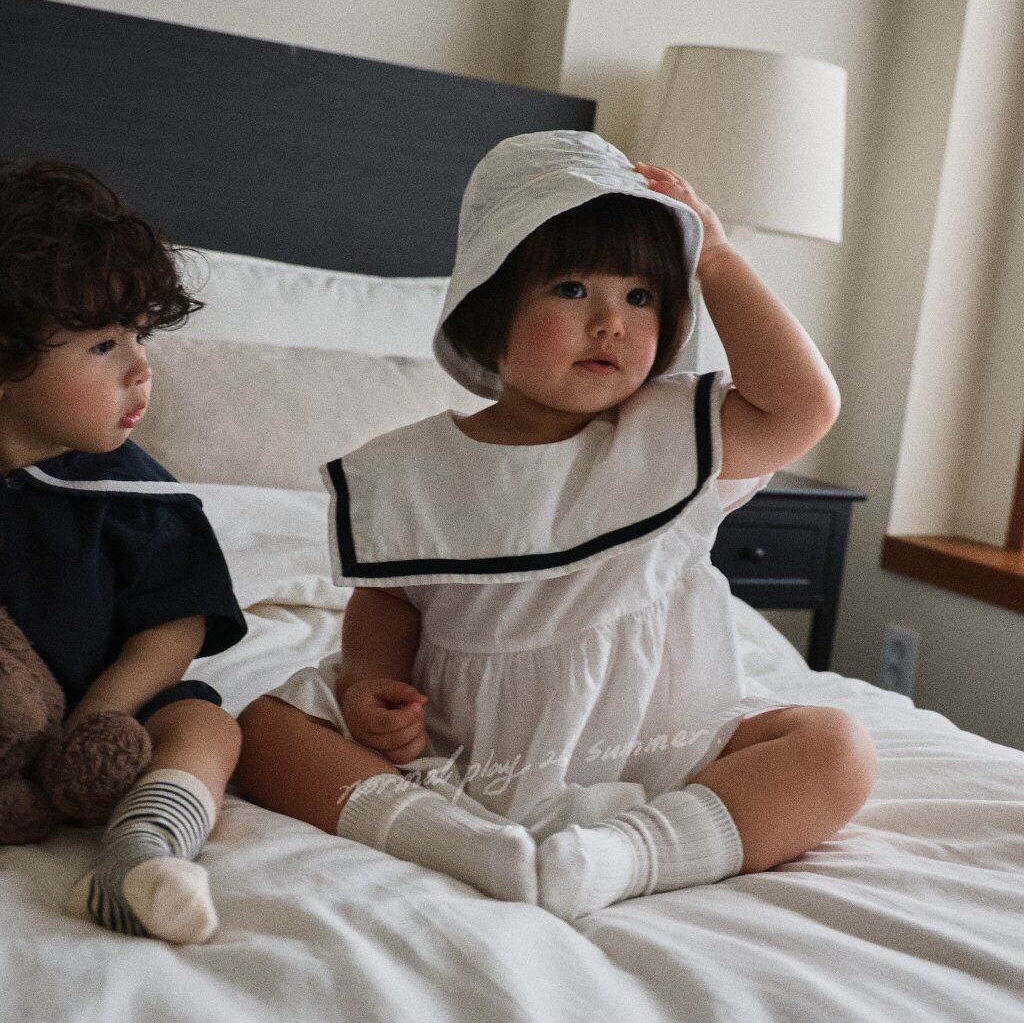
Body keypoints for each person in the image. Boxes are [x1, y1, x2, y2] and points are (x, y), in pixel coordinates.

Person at [235, 130, 876, 919]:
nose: (611, 321)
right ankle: (454, 843)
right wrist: (369, 681)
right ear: (492, 309)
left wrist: (715, 259)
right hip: (463, 749)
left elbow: (806, 405)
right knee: (264, 729)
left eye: (641, 297)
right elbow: (393, 598)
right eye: (573, 289)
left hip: (654, 750)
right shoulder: (413, 469)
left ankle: (626, 856)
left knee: (836, 749)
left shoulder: (676, 435)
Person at [0, 159, 247, 943]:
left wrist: (102, 714)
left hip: (107, 716)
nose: (142, 368)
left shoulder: (138, 497)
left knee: (207, 724)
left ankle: (142, 848)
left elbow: (174, 627)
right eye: (105, 345)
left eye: (141, 336)